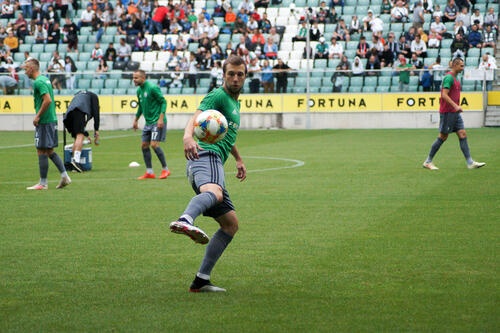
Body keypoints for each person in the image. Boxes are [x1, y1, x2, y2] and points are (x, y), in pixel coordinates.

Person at [169, 55, 248, 293]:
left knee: (230, 224)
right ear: (223, 75)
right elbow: (196, 118)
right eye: (231, 74)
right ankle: (185, 219)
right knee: (214, 192)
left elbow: (222, 132)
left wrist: (238, 158)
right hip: (207, 156)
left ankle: (201, 280)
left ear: (245, 76)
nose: (235, 78)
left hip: (214, 158)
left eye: (240, 74)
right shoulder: (218, 95)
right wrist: (187, 137)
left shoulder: (235, 103)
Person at [423, 58, 485, 170]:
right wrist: (455, 106)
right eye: (461, 65)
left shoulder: (455, 78)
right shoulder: (449, 78)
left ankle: (470, 162)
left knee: (462, 134)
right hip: (448, 112)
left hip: (454, 113)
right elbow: (444, 95)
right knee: (443, 136)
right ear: (455, 65)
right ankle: (428, 161)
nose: (463, 68)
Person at [23, 58, 71, 190]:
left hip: (45, 121)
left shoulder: (39, 82)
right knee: (49, 150)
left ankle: (43, 183)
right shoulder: (44, 79)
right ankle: (64, 176)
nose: (25, 72)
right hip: (50, 119)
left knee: (41, 150)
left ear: (32, 69)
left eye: (26, 69)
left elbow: (47, 100)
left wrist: (37, 116)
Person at [132, 70, 170, 180]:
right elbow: (140, 106)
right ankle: (149, 172)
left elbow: (163, 102)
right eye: (133, 77)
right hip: (148, 123)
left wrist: (161, 118)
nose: (134, 80)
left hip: (157, 121)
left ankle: (165, 169)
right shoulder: (139, 90)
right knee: (144, 145)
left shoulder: (152, 88)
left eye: (136, 78)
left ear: (143, 78)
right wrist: (136, 120)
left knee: (154, 144)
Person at [63, 90, 100, 172]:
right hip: (78, 111)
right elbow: (96, 113)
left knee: (77, 137)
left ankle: (72, 163)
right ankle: (76, 161)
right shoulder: (94, 96)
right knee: (80, 136)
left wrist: (86, 134)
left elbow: (81, 123)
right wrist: (96, 130)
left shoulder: (79, 95)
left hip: (68, 115)